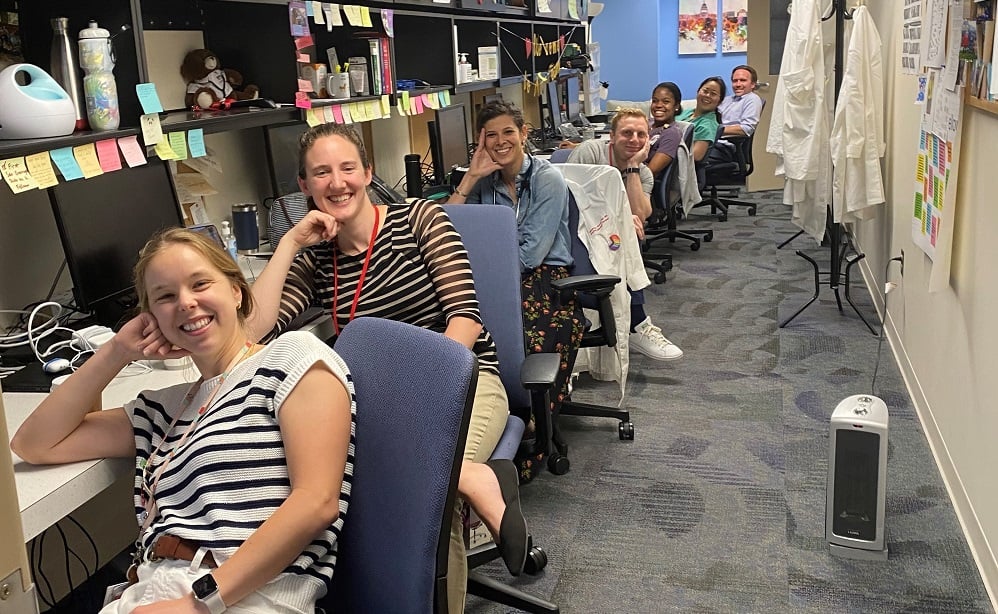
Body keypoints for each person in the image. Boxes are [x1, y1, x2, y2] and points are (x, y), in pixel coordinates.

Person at [248, 122, 528, 614]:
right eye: (321, 173)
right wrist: (292, 241)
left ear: (367, 172)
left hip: (466, 383)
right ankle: (470, 477)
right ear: (305, 186)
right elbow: (252, 328)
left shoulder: (419, 219)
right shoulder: (318, 262)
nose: (337, 183)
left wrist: (427, 398)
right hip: (377, 407)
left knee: (430, 494)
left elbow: (464, 317)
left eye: (347, 168)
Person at [12, 228, 356, 614]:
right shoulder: (166, 408)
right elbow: (36, 444)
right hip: (153, 588)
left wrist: (199, 603)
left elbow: (316, 501)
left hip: (248, 594)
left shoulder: (292, 357)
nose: (187, 303)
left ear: (236, 290)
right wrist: (117, 351)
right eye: (165, 297)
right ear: (151, 317)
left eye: (200, 283)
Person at [448, 100, 583, 483]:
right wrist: (470, 179)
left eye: (509, 131)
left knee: (526, 333)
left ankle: (530, 429)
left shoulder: (546, 179)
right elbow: (446, 230)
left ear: (524, 133)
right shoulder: (484, 182)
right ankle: (477, 424)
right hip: (492, 279)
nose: (501, 140)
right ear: (480, 141)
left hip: (545, 280)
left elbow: (530, 253)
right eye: (491, 134)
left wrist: (483, 260)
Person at [567, 108, 684, 362]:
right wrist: (616, 218)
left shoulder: (642, 172)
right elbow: (567, 197)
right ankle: (639, 324)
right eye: (627, 133)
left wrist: (632, 167)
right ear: (612, 136)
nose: (634, 139)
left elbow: (641, 215)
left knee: (627, 234)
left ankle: (636, 323)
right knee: (620, 236)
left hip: (607, 237)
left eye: (641, 134)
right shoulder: (590, 152)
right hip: (572, 229)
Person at [710, 65, 764, 164]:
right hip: (712, 142)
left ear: (752, 84)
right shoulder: (727, 100)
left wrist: (714, 130)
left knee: (693, 157)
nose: (738, 84)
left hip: (726, 147)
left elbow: (746, 129)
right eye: (735, 81)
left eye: (743, 80)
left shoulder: (752, 99)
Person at [678, 76, 726, 163]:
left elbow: (697, 156)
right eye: (705, 91)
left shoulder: (708, 124)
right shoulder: (685, 113)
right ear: (698, 92)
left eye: (713, 94)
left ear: (719, 101)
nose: (708, 95)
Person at [645, 81, 685, 176]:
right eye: (655, 101)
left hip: (639, 181)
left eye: (666, 101)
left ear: (676, 106)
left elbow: (650, 172)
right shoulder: (646, 123)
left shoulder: (671, 134)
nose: (658, 105)